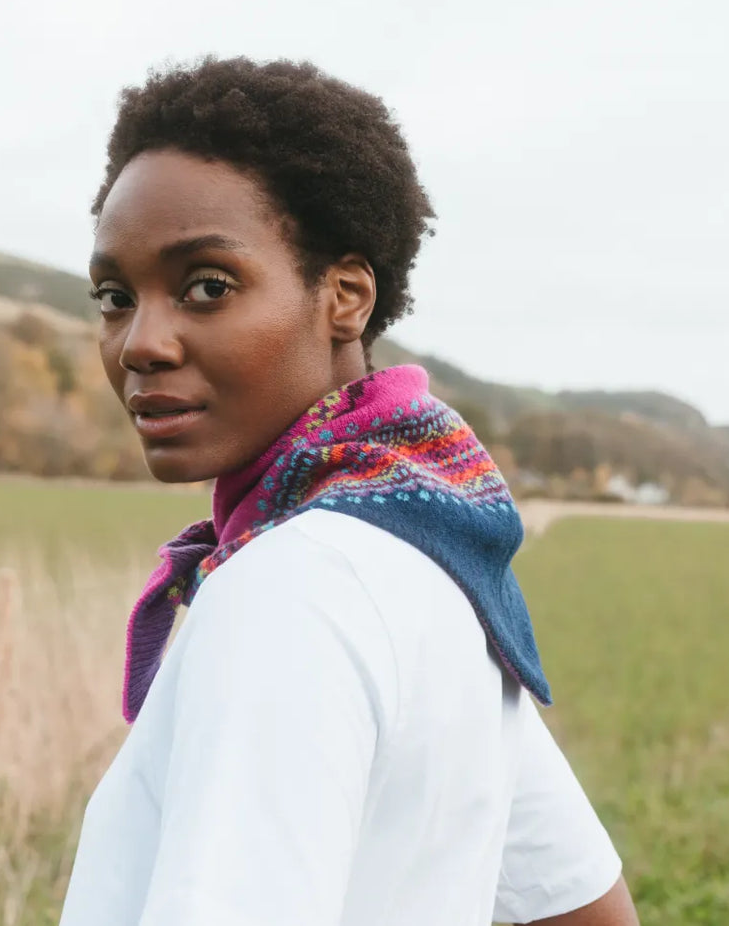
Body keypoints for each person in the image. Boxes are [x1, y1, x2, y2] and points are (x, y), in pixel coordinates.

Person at [58, 56, 639, 926]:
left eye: (205, 287)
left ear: (345, 297)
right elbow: (582, 907)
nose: (141, 342)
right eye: (114, 296)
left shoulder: (287, 592)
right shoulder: (429, 544)